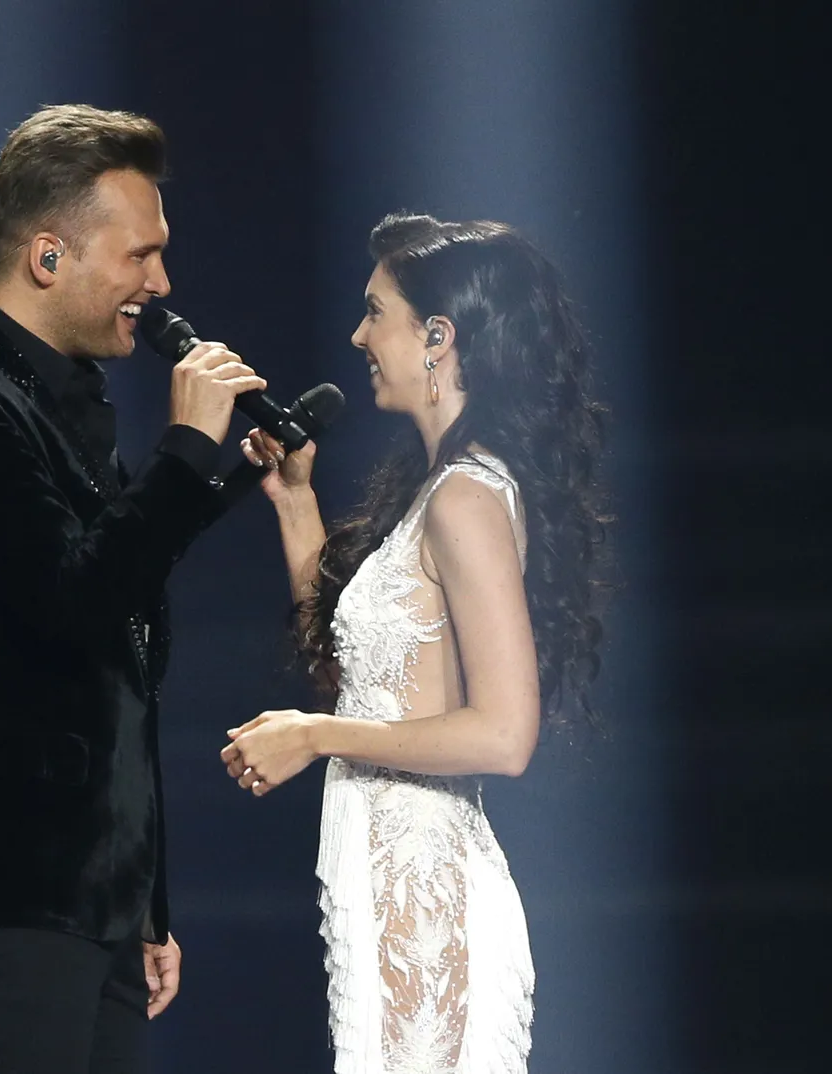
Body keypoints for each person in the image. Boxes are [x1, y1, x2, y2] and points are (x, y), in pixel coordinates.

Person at [0, 104, 265, 1074]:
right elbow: (74, 600)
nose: (161, 286)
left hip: (91, 896)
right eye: (140, 256)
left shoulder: (59, 401)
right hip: (2, 882)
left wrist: (143, 901)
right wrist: (183, 453)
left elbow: (121, 647)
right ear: (48, 257)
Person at [221, 213, 608, 1073]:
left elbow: (505, 735)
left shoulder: (467, 499)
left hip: (429, 907)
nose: (358, 335)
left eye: (375, 312)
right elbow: (356, 683)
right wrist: (295, 504)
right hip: (386, 891)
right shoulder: (436, 492)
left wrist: (313, 736)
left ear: (438, 336)